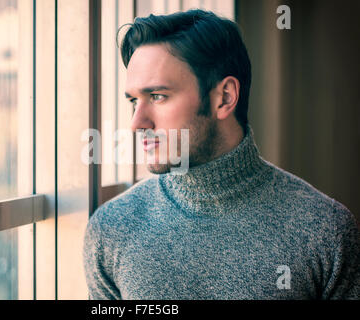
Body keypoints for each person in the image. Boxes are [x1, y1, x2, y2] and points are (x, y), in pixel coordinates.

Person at [82, 9, 360, 299]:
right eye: (133, 101)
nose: (137, 122)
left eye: (158, 97)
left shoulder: (325, 230)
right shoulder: (111, 229)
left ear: (224, 97)